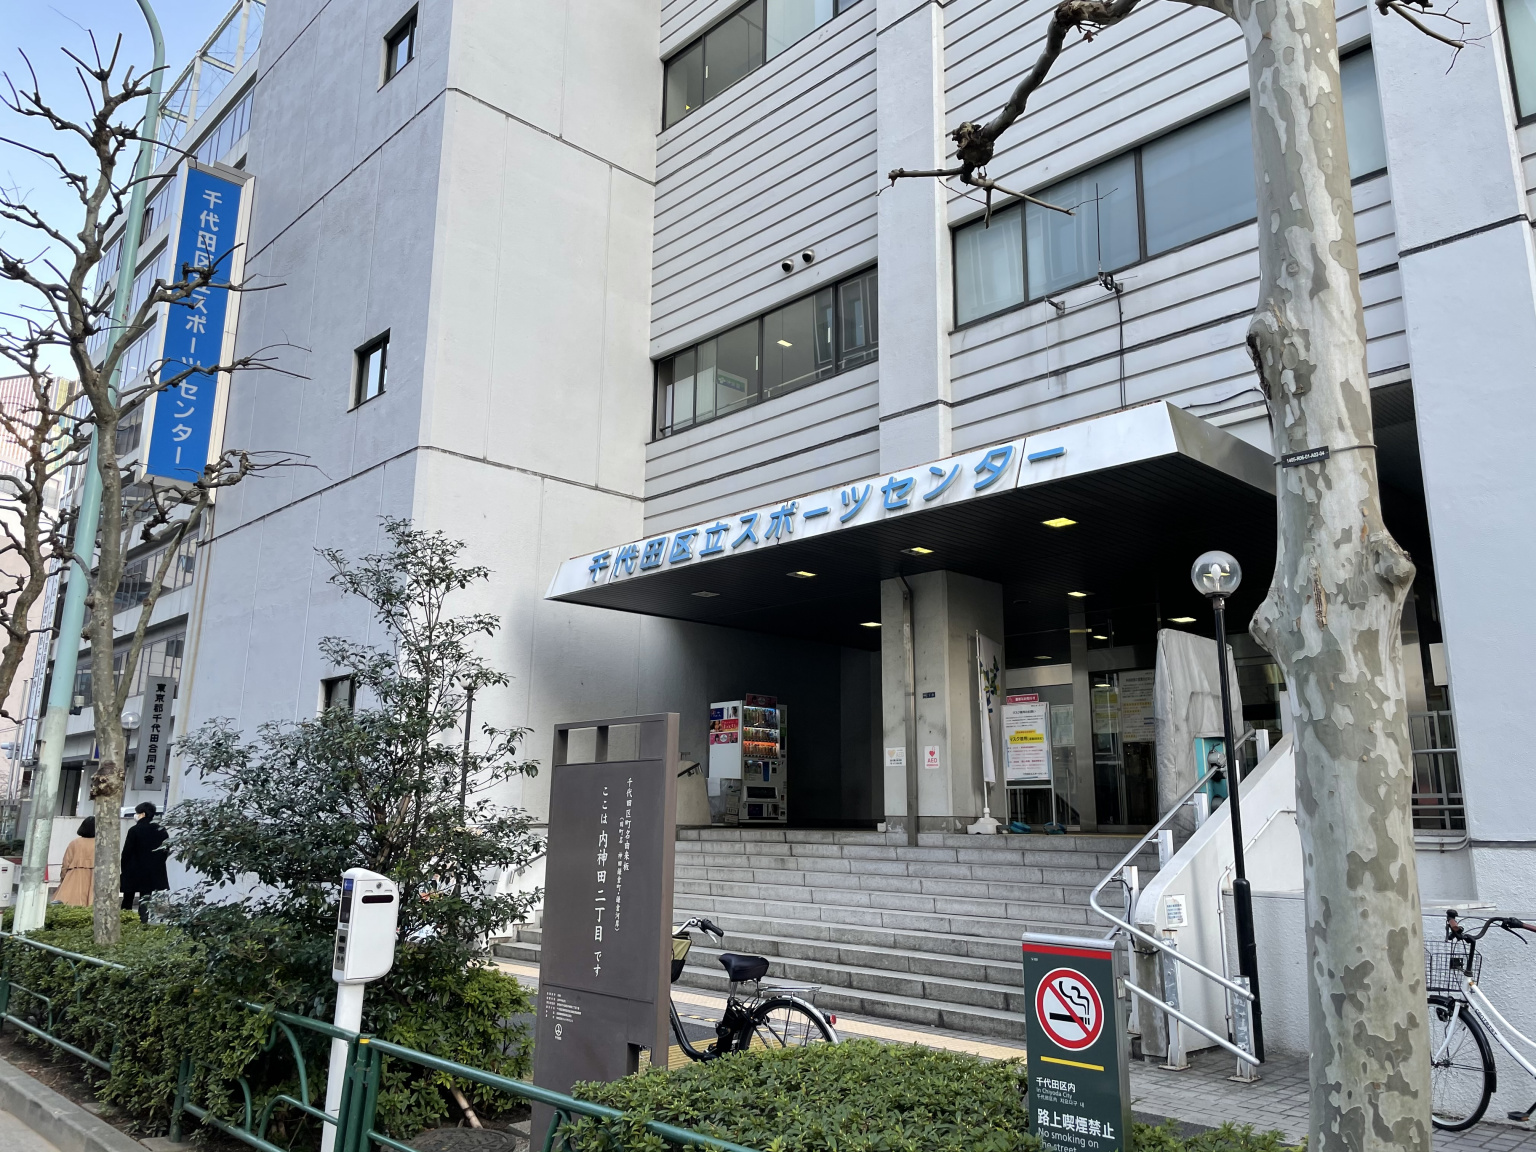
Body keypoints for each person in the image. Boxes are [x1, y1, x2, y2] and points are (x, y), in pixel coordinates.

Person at [120, 802, 169, 922]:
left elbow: (127, 852)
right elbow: (166, 850)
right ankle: (143, 922)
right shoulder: (161, 831)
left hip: (132, 870)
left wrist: (124, 868)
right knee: (145, 899)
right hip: (151, 872)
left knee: (128, 899)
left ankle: (125, 922)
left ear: (142, 814)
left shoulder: (134, 830)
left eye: (137, 813)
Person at [53, 817, 96, 906]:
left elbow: (66, 863)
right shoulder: (100, 844)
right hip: (94, 877)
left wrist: (63, 879)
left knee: (69, 905)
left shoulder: (74, 843)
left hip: (74, 877)